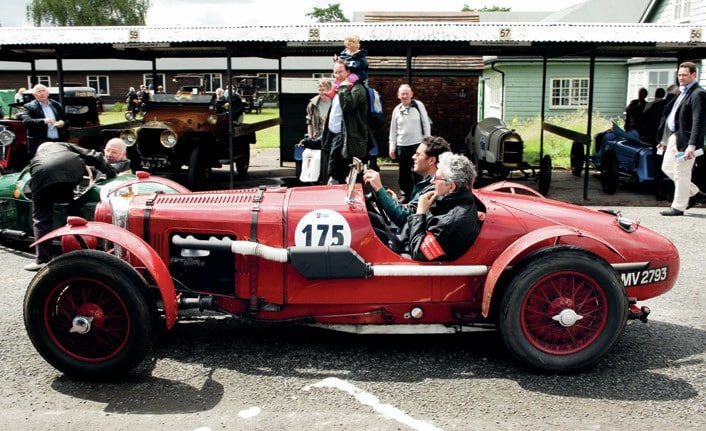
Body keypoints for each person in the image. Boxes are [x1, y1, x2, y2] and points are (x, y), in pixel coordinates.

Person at [24, 142, 117, 271]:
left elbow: (32, 182)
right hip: (72, 169)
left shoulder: (37, 158)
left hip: (43, 174)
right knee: (71, 207)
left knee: (41, 217)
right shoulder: (62, 145)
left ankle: (42, 259)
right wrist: (112, 174)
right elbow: (93, 155)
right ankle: (80, 246)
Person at [397, 152, 480, 261]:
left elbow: (419, 253)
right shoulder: (448, 197)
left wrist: (420, 212)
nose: (432, 181)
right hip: (404, 239)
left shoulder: (449, 224)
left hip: (409, 255)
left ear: (451, 186)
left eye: (437, 178)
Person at [363, 135, 451, 230]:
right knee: (369, 218)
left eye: (418, 154)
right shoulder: (427, 183)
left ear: (431, 160)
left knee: (366, 221)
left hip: (406, 238)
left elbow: (405, 219)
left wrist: (379, 189)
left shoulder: (435, 188)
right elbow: (411, 210)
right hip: (407, 233)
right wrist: (394, 201)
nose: (413, 157)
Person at [656, 61, 706, 216]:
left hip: (686, 140)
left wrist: (692, 144)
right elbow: (673, 117)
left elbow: (698, 121)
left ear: (694, 75)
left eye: (685, 74)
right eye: (679, 75)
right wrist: (664, 141)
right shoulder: (683, 92)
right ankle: (695, 193)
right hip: (673, 137)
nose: (681, 77)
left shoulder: (698, 94)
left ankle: (678, 207)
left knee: (681, 171)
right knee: (667, 167)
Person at [321, 59, 372, 184]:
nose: (337, 75)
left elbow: (347, 106)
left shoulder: (357, 89)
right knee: (335, 175)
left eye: (340, 72)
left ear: (348, 71)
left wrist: (343, 86)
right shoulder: (340, 90)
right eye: (335, 72)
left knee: (348, 178)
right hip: (336, 138)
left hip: (350, 142)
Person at [388, 84, 432, 202]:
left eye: (407, 93)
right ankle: (405, 195)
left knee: (419, 171)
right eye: (402, 93)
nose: (405, 96)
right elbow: (393, 130)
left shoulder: (418, 106)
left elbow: (426, 123)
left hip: (417, 144)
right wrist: (392, 146)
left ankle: (420, 194)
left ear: (412, 94)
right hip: (402, 145)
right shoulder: (396, 110)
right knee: (404, 172)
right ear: (398, 95)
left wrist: (427, 142)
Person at [297, 78, 333, 182]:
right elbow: (309, 123)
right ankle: (318, 182)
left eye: (324, 90)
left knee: (329, 162)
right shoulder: (312, 104)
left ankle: (328, 181)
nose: (322, 92)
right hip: (319, 136)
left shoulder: (335, 101)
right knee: (318, 162)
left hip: (332, 136)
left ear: (330, 89)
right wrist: (311, 138)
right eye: (320, 90)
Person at [21, 84, 68, 158]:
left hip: (58, 142)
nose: (42, 93)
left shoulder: (56, 105)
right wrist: (44, 121)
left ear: (48, 93)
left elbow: (66, 119)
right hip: (40, 144)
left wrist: (63, 123)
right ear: (34, 95)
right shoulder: (29, 106)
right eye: (39, 92)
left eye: (43, 91)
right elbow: (26, 122)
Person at [640, 87, 671, 201]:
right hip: (669, 141)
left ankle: (659, 192)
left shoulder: (653, 106)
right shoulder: (673, 106)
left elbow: (643, 119)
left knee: (659, 165)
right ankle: (670, 193)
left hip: (657, 141)